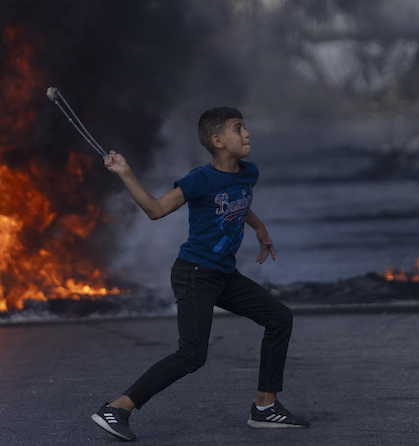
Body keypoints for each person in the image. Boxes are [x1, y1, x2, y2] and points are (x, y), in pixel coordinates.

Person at [90, 106, 309, 442]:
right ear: (218, 140)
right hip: (194, 273)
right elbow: (155, 209)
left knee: (279, 318)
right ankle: (118, 408)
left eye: (245, 127)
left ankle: (266, 407)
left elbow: (238, 199)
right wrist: (125, 172)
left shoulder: (248, 172)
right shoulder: (199, 179)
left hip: (223, 274)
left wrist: (259, 226)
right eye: (239, 128)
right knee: (192, 354)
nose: (247, 133)